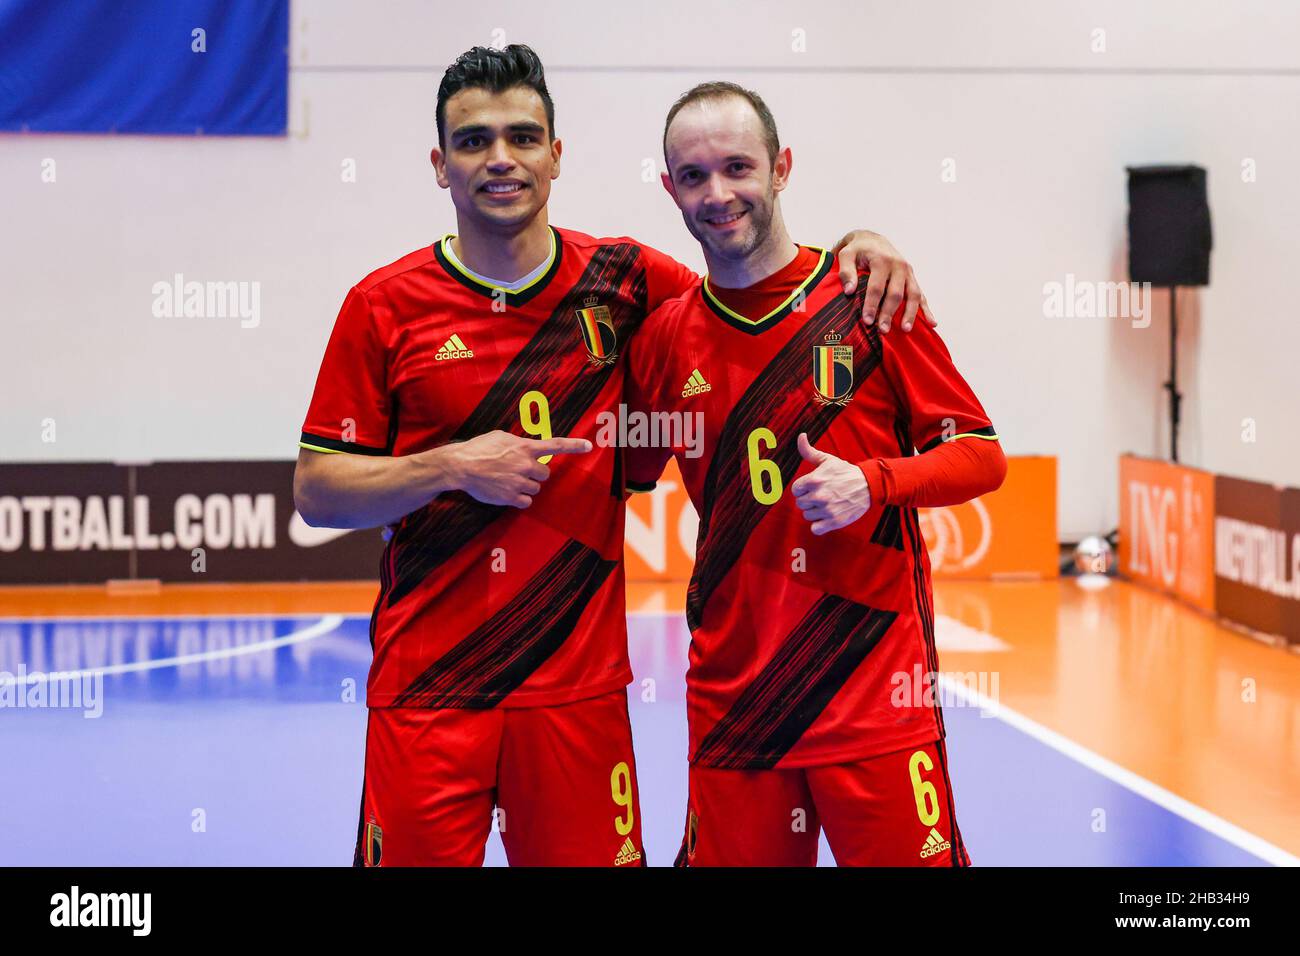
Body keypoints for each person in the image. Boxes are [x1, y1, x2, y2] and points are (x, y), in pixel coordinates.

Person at [294, 45, 933, 867]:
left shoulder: (624, 280)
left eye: (523, 137)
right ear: (439, 164)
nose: (501, 159)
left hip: (578, 693)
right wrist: (451, 464)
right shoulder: (382, 306)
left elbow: (752, 273)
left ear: (555, 157)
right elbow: (317, 489)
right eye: (473, 141)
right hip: (428, 692)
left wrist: (860, 242)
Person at [623, 81, 1007, 866]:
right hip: (737, 705)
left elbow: (980, 455)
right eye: (693, 177)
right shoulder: (664, 338)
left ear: (782, 167)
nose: (719, 193)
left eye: (738, 167)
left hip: (872, 697)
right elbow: (616, 473)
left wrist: (877, 482)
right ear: (670, 189)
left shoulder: (868, 298)